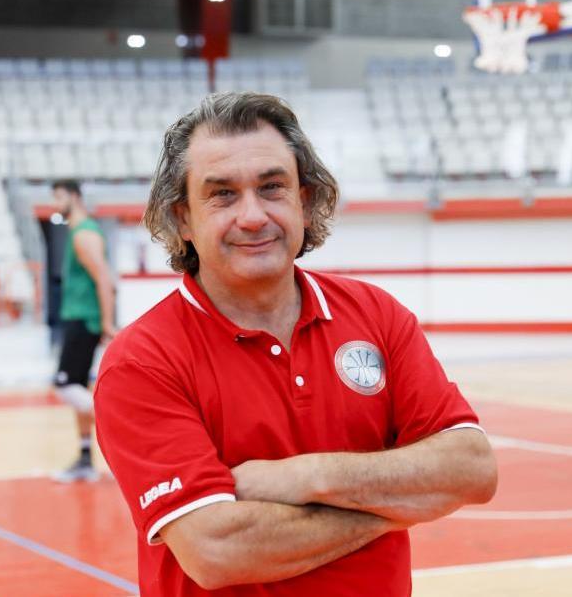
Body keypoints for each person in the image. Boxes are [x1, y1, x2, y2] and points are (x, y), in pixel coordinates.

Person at [94, 93, 498, 595]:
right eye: (222, 194)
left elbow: (472, 469)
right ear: (182, 219)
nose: (253, 216)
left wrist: (307, 476)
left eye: (272, 187)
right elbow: (217, 550)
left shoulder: (376, 315)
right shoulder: (142, 361)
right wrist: (395, 507)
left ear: (304, 202)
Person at [49, 179, 117, 483]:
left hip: (83, 318)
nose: (55, 204)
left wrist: (105, 322)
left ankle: (121, 422)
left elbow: (104, 279)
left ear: (75, 197)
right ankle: (86, 459)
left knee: (64, 386)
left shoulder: (84, 234)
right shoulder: (78, 232)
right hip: (78, 317)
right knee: (77, 387)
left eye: (59, 197)